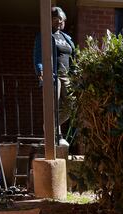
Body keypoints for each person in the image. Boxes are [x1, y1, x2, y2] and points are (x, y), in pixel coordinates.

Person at [33, 6, 75, 146]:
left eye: (61, 19)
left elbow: (73, 58)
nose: (59, 21)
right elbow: (38, 56)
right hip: (53, 76)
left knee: (71, 105)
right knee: (54, 107)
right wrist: (41, 72)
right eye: (56, 19)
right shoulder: (45, 36)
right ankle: (57, 137)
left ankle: (49, 128)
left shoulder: (67, 38)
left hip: (67, 76)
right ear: (50, 20)